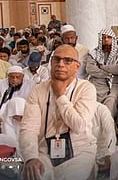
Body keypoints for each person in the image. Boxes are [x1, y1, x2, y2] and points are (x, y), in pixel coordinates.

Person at [19, 44, 98, 180]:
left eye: (67, 61)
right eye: (57, 59)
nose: (60, 64)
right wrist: (31, 157)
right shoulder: (38, 90)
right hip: (45, 151)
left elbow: (78, 125)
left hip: (79, 151)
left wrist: (60, 96)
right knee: (32, 175)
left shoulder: (86, 88)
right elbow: (29, 128)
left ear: (77, 66)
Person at [86, 28, 118, 118]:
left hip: (114, 84)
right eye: (103, 38)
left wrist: (102, 67)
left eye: (109, 37)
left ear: (113, 39)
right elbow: (90, 69)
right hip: (96, 82)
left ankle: (109, 127)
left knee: (111, 101)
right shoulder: (94, 53)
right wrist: (108, 74)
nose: (106, 40)